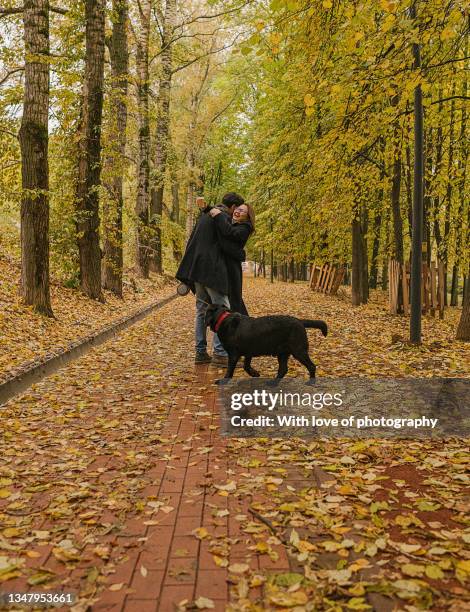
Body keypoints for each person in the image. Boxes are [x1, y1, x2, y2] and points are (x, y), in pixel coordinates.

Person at [176, 192, 244, 365]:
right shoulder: (222, 218)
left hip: (197, 270)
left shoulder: (205, 216)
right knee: (224, 310)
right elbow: (227, 244)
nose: (236, 214)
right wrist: (240, 254)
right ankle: (220, 352)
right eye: (237, 210)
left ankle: (200, 352)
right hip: (213, 271)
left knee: (201, 311)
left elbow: (193, 241)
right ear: (233, 207)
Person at [209, 202, 255, 316]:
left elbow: (228, 233)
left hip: (232, 267)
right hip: (225, 264)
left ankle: (243, 328)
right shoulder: (233, 223)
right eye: (238, 209)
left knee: (234, 299)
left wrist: (218, 215)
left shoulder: (245, 227)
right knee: (232, 299)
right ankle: (242, 326)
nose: (238, 212)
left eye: (242, 211)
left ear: (248, 216)